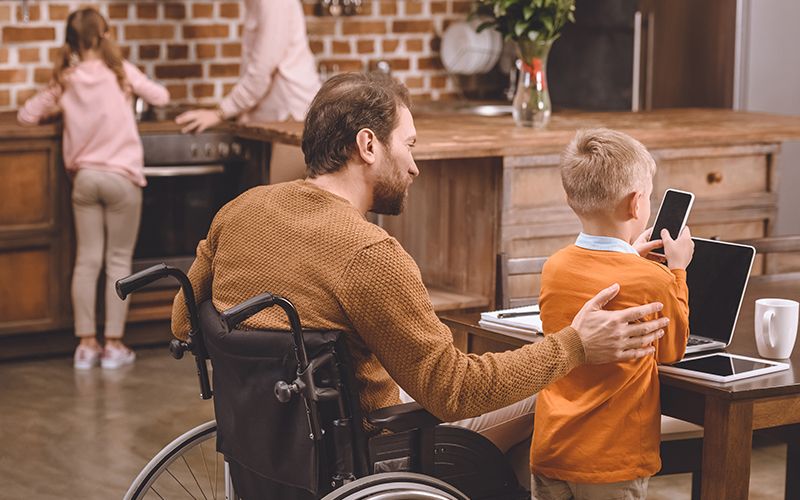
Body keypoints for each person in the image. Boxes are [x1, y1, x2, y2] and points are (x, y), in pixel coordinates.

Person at [170, 73, 669, 455]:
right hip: (376, 452)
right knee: (551, 394)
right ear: (368, 146)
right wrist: (574, 346)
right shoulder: (368, 253)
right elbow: (453, 390)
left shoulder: (240, 209)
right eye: (407, 145)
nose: (414, 166)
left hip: (269, 449)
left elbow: (184, 318)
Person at [530, 129, 694, 500]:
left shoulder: (554, 267)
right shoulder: (655, 278)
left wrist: (629, 258)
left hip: (552, 449)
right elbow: (673, 349)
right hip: (611, 462)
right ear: (637, 205)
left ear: (571, 199)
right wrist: (678, 270)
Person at [18, 8, 170, 369]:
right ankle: (114, 345)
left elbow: (26, 114)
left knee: (87, 260)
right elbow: (161, 97)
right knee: (118, 260)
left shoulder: (66, 79)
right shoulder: (121, 74)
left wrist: (58, 108)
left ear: (70, 42)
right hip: (121, 179)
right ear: (105, 36)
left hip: (85, 180)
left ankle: (85, 345)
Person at [175, 0, 320, 184]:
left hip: (290, 120)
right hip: (277, 121)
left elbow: (261, 72)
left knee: (282, 208)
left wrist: (221, 112)